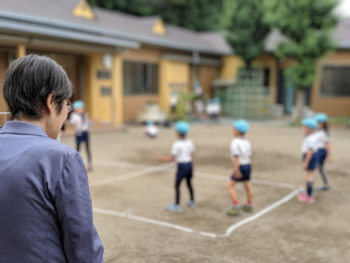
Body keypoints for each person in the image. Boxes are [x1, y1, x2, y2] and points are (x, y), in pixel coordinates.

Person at [0, 54, 104, 262]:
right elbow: (81, 244)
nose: (67, 111)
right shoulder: (61, 158)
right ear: (50, 101)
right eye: (67, 104)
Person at [158, 121, 196, 213]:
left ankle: (177, 205)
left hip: (182, 166)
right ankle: (192, 201)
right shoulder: (190, 142)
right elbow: (192, 154)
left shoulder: (176, 144)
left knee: (177, 185)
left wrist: (162, 158)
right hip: (190, 164)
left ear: (178, 133)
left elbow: (172, 158)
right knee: (189, 183)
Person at [226, 120, 253, 216]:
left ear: (237, 131)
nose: (232, 130)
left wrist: (236, 170)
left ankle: (236, 205)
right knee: (248, 185)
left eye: (234, 128)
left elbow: (236, 157)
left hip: (240, 166)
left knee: (229, 186)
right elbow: (249, 156)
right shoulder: (247, 142)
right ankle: (249, 204)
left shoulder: (235, 142)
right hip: (248, 165)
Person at [298, 118, 318, 203]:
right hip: (310, 157)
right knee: (310, 175)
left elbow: (310, 151)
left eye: (304, 126)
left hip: (309, 157)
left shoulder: (311, 138)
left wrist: (306, 162)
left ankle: (309, 196)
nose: (302, 128)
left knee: (309, 176)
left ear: (309, 128)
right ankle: (309, 192)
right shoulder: (309, 137)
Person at [70, 100, 93, 172]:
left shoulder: (85, 114)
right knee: (78, 149)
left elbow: (87, 123)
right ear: (75, 109)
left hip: (85, 132)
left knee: (87, 148)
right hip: (78, 133)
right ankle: (75, 164)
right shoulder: (73, 115)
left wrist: (91, 123)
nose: (81, 110)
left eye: (82, 108)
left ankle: (90, 164)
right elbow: (72, 123)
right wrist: (75, 123)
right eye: (79, 108)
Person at [314, 113, 333, 191]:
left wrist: (330, 155)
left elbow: (328, 144)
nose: (317, 124)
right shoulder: (319, 132)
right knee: (320, 169)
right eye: (317, 122)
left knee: (312, 169)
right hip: (318, 152)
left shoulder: (323, 133)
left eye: (319, 123)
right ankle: (326, 185)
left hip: (321, 152)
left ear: (323, 124)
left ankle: (310, 188)